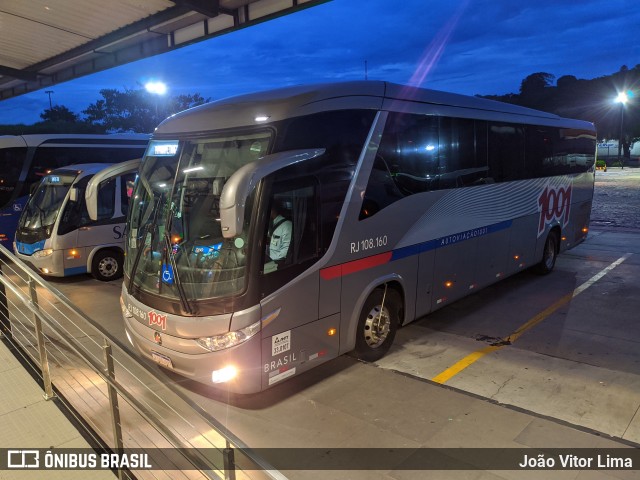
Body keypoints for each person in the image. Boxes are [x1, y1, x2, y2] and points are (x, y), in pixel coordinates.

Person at [267, 202, 292, 266]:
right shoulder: (271, 224)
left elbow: (286, 251)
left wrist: (271, 264)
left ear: (272, 211)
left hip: (277, 263)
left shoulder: (287, 226)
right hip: (269, 258)